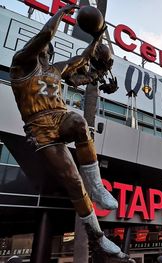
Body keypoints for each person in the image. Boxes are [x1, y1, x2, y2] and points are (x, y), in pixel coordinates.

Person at [9, 4, 126, 258]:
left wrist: (97, 37)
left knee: (79, 123)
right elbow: (43, 35)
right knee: (73, 183)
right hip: (39, 127)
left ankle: (97, 187)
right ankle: (97, 237)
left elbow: (82, 60)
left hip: (59, 117)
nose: (45, 52)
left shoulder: (53, 70)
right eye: (43, 48)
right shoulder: (20, 63)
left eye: (46, 51)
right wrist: (61, 13)